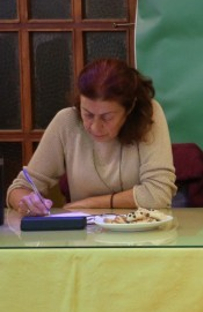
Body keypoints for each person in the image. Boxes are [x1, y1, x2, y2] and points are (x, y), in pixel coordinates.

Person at [6, 59, 176, 216]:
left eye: (107, 117)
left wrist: (88, 204)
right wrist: (27, 201)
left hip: (141, 231)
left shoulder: (148, 115)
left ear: (129, 108)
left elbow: (158, 194)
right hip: (85, 232)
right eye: (87, 114)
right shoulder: (66, 121)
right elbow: (19, 188)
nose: (95, 127)